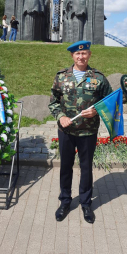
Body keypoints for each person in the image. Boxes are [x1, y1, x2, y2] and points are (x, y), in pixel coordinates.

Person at [48, 40, 112, 223]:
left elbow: (110, 101)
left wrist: (97, 110)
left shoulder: (98, 78)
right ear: (72, 56)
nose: (81, 56)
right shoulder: (61, 77)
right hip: (66, 131)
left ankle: (85, 204)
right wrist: (60, 116)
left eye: (84, 53)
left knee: (86, 168)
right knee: (66, 167)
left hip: (88, 131)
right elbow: (53, 102)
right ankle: (65, 201)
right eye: (77, 54)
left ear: (89, 55)